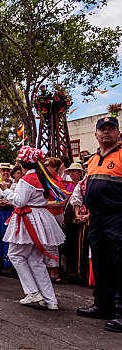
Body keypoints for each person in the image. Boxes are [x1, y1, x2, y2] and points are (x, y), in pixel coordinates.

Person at [0, 146, 65, 310]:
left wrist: (6, 191)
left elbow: (20, 201)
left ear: (22, 163)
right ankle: (50, 300)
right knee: (36, 260)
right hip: (41, 217)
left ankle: (32, 292)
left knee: (14, 254)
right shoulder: (43, 178)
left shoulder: (26, 180)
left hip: (28, 218)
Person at [77, 116, 122, 332]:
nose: (106, 132)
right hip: (97, 218)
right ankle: (102, 305)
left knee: (119, 264)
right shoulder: (93, 160)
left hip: (117, 216)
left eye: (111, 129)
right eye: (102, 129)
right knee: (101, 262)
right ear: (96, 134)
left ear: (118, 133)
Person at [43, 157, 67, 283]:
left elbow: (61, 201)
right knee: (45, 242)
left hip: (54, 215)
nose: (45, 167)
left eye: (47, 165)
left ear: (55, 168)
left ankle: (54, 270)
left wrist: (42, 203)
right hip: (46, 215)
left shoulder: (57, 182)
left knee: (52, 243)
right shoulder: (46, 180)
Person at [61, 163, 85, 278]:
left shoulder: (83, 185)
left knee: (77, 243)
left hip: (80, 216)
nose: (71, 174)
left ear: (80, 173)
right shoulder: (67, 185)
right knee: (69, 243)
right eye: (70, 172)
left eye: (74, 171)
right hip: (69, 216)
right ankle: (69, 269)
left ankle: (76, 270)